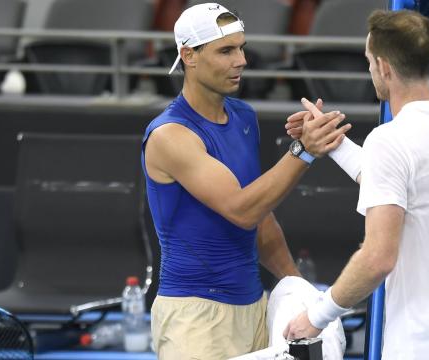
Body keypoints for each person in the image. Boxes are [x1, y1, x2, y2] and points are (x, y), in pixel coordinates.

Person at [284, 9, 429, 360]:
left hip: (427, 347)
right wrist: (337, 144)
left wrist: (316, 317)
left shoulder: (389, 141)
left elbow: (377, 258)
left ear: (384, 67)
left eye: (370, 61)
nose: (371, 69)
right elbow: (394, 181)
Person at [141, 3, 351, 360]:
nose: (241, 60)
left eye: (241, 48)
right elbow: (241, 210)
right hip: (194, 320)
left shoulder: (243, 116)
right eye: (226, 51)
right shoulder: (169, 136)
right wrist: (302, 151)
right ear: (188, 55)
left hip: (256, 309)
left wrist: (298, 289)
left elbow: (260, 216)